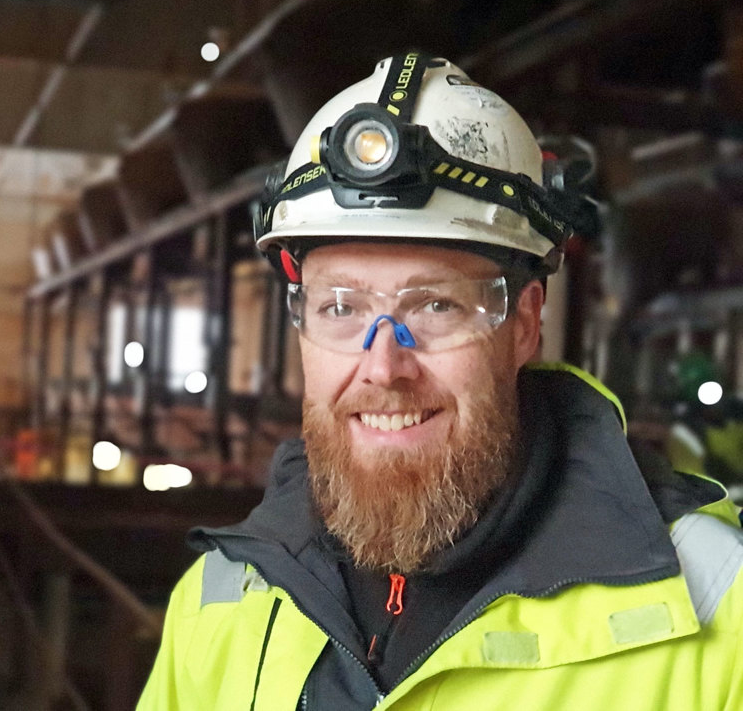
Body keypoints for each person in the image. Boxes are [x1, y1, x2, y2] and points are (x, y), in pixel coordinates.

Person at [137, 53, 743, 710]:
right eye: (340, 308)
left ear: (525, 325)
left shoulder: (717, 613)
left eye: (436, 307)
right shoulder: (222, 602)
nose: (383, 367)